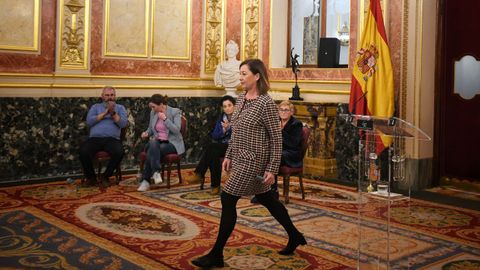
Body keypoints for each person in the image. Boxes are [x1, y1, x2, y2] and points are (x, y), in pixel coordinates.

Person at [191, 59, 306, 268]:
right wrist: (228, 154)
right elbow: (236, 131)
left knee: (227, 198)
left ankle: (216, 254)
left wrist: (271, 169)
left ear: (257, 76)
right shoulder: (242, 98)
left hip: (255, 161)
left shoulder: (266, 104)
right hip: (240, 157)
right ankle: (295, 234)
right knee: (267, 199)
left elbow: (275, 139)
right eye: (240, 73)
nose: (240, 77)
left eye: (244, 74)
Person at [251, 100, 303, 203]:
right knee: (261, 157)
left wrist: (280, 132)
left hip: (291, 154)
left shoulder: (296, 124)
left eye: (286, 110)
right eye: (281, 110)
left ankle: (272, 192)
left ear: (291, 112)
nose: (283, 112)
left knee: (273, 157)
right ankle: (262, 192)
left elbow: (294, 143)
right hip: (277, 151)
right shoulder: (275, 121)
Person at [185, 95, 236, 195]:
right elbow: (215, 136)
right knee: (213, 155)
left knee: (212, 148)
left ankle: (200, 174)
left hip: (235, 147)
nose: (227, 108)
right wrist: (224, 130)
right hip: (222, 147)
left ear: (235, 106)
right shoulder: (222, 118)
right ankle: (215, 186)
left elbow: (241, 135)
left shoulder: (240, 118)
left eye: (229, 105)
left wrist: (230, 129)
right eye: (225, 106)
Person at [79, 86, 128, 187]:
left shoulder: (120, 108)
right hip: (95, 139)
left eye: (112, 95)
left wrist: (113, 113)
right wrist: (105, 112)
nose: (110, 97)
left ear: (115, 96)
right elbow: (89, 122)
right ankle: (91, 178)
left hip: (112, 139)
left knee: (119, 152)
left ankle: (105, 176)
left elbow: (123, 124)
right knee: (83, 151)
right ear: (102, 96)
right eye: (107, 95)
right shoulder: (95, 107)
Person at [137, 94, 185, 192]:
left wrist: (165, 119)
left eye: (154, 107)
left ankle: (146, 181)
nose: (152, 109)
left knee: (152, 148)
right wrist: (146, 133)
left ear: (161, 104)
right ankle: (156, 172)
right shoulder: (153, 112)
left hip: (171, 143)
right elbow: (151, 128)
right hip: (157, 142)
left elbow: (177, 130)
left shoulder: (174, 112)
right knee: (153, 144)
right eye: (151, 107)